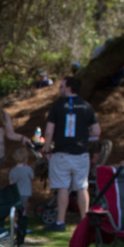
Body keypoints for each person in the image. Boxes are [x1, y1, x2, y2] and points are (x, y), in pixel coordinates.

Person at [42, 76, 100, 231]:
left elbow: (49, 131)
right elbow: (97, 131)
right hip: (81, 153)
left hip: (61, 153)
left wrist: (47, 149)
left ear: (68, 88)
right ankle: (84, 222)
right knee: (82, 187)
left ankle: (60, 222)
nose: (60, 89)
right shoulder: (87, 107)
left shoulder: (57, 106)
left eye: (62, 86)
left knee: (62, 187)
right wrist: (85, 137)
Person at [8, 147, 34, 212]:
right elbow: (32, 177)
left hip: (16, 192)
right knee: (24, 206)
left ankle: (15, 219)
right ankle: (22, 217)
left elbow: (11, 182)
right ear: (26, 159)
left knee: (16, 206)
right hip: (26, 192)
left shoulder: (13, 170)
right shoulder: (28, 169)